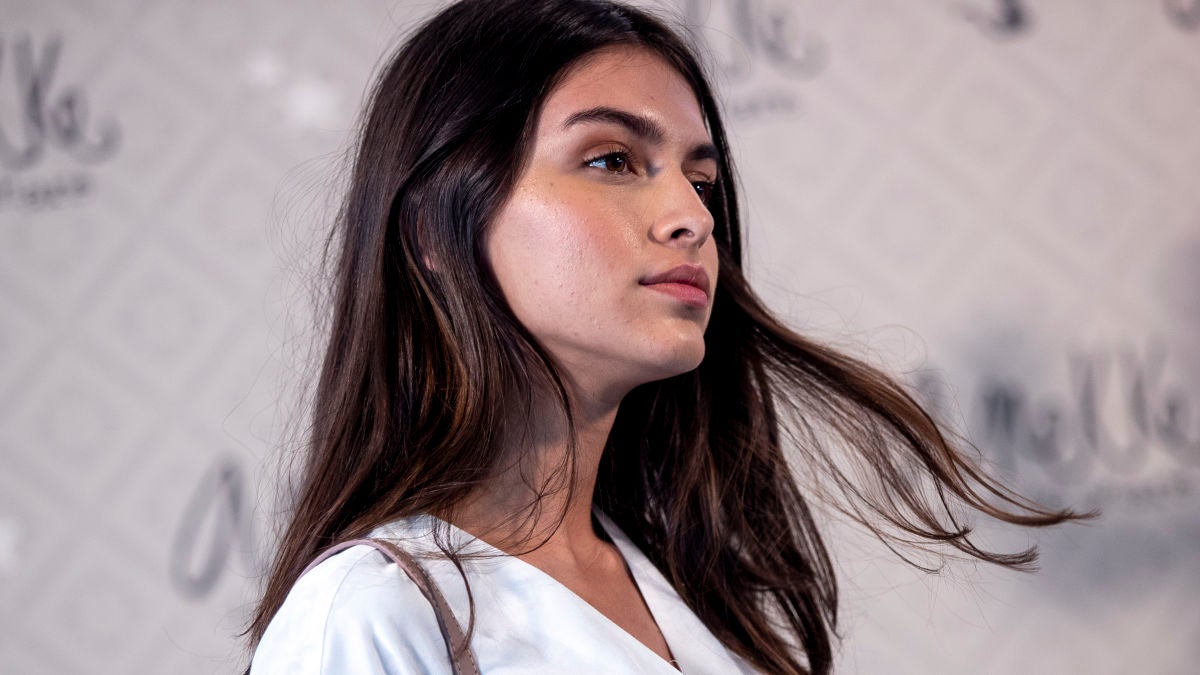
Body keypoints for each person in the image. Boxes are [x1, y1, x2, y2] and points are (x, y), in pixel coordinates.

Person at [245, 0, 1083, 673]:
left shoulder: (690, 593)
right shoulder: (368, 612)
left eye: (701, 180)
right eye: (611, 159)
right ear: (433, 223)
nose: (692, 217)